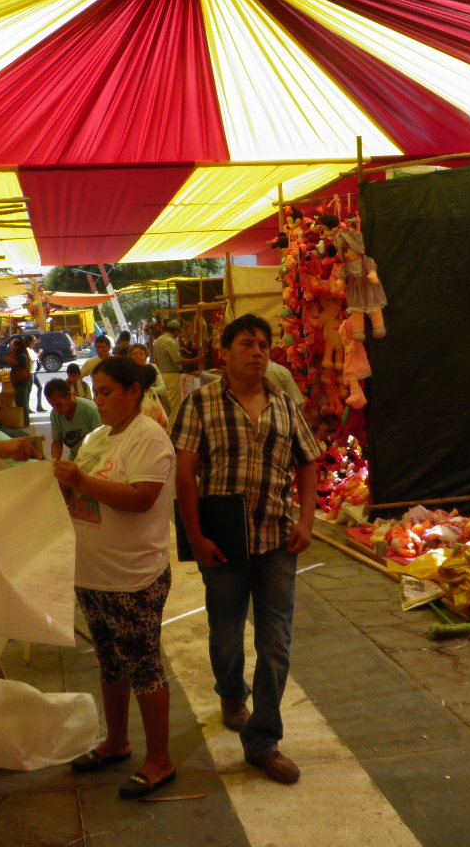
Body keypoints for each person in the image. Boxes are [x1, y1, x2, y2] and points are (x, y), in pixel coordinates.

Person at [172, 313, 321, 785]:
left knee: (276, 643)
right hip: (223, 543)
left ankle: (263, 742)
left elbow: (308, 462)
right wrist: (196, 536)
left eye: (263, 345)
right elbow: (184, 474)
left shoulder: (285, 405)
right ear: (225, 353)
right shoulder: (200, 403)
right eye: (246, 344)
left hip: (277, 539)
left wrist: (306, 521)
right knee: (226, 633)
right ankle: (232, 693)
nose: (257, 352)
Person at [54, 356, 178, 800]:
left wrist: (79, 480)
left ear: (134, 391)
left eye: (107, 392)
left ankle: (160, 760)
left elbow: (141, 498)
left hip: (133, 577)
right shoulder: (96, 438)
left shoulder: (149, 438)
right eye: (96, 393)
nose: (99, 401)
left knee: (144, 668)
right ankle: (117, 741)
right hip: (93, 575)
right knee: (110, 663)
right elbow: (74, 490)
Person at [153, 319, 201, 421]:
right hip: (171, 375)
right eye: (179, 332)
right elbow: (178, 360)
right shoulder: (170, 341)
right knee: (173, 405)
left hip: (162, 374)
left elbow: (155, 359)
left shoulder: (159, 340)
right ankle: (170, 427)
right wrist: (197, 359)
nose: (179, 335)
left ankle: (166, 424)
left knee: (166, 403)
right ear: (176, 331)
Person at [44, 378, 101, 461]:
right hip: (75, 459)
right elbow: (57, 443)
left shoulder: (91, 410)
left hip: (94, 459)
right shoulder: (55, 414)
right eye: (52, 406)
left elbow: (101, 443)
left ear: (69, 395)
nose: (56, 409)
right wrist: (54, 462)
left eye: (59, 404)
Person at [0, 335, 35, 426]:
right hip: (18, 381)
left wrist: (8, 358)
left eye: (14, 345)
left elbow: (13, 362)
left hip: (21, 381)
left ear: (18, 347)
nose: (12, 347)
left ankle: (25, 421)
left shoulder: (21, 356)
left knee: (22, 401)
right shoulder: (19, 354)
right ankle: (23, 420)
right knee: (20, 400)